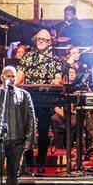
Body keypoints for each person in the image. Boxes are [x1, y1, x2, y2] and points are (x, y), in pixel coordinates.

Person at [17, 28, 64, 174]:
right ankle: (27, 162)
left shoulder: (55, 59)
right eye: (39, 39)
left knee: (43, 132)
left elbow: (58, 78)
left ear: (50, 42)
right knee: (27, 131)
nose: (41, 41)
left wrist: (57, 81)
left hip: (45, 98)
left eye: (44, 39)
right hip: (29, 97)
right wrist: (14, 82)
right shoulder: (28, 56)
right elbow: (19, 76)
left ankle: (41, 162)